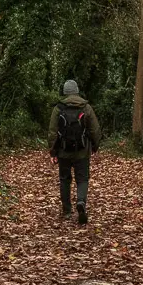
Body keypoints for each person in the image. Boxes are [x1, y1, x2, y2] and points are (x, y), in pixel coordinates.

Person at [48, 79, 102, 225]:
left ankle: (66, 210)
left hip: (63, 151)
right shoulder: (86, 107)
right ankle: (81, 202)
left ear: (65, 92)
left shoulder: (58, 108)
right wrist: (95, 146)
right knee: (82, 178)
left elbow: (53, 132)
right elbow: (95, 129)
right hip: (82, 151)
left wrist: (53, 152)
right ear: (77, 91)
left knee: (65, 179)